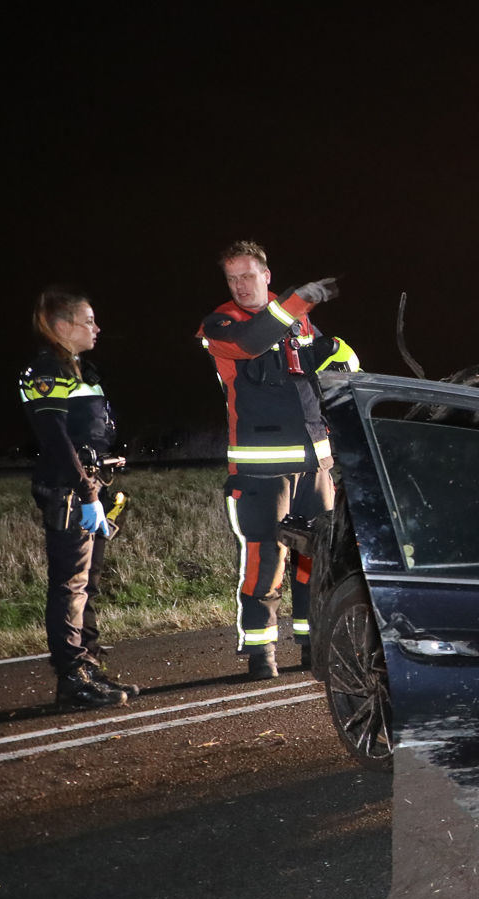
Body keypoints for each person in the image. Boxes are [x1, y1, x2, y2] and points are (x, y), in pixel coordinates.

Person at [197, 240, 358, 679]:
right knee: (265, 558)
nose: (241, 285)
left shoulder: (296, 319)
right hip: (258, 470)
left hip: (315, 465)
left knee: (318, 559)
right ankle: (260, 651)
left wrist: (342, 357)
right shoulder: (221, 323)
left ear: (266, 275)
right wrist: (298, 299)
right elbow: (252, 344)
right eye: (232, 278)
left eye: (248, 275)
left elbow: (326, 362)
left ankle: (314, 643)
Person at [21, 287, 138, 707]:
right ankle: (71, 680)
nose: (97, 328)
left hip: (91, 486)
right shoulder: (47, 370)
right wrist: (87, 492)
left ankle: (88, 667)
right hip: (70, 490)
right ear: (62, 326)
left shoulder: (78, 368)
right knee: (70, 585)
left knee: (87, 584)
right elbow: (54, 438)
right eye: (89, 320)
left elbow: (84, 431)